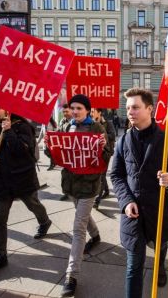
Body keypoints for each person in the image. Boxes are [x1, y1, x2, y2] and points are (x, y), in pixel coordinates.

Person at [111, 88, 168, 297]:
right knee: (133, 266)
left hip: (159, 209)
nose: (130, 112)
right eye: (127, 108)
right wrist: (126, 202)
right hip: (133, 215)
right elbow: (116, 174)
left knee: (161, 245)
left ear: (149, 109)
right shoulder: (123, 141)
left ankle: (160, 265)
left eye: (135, 107)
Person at [48, 95, 111, 297]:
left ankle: (71, 275)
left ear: (87, 110)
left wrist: (103, 148)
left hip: (90, 184)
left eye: (79, 108)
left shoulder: (97, 129)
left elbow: (106, 158)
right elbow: (55, 155)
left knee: (77, 227)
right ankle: (97, 235)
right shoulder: (66, 127)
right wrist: (48, 146)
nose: (74, 111)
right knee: (82, 216)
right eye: (72, 108)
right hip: (71, 183)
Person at [0, 106, 52, 277]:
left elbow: (25, 153)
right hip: (1, 183)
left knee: (33, 205)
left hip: (22, 181)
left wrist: (9, 131)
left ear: (8, 111)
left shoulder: (23, 126)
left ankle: (45, 221)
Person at [91, 108, 116, 209]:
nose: (91, 113)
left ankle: (97, 200)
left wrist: (101, 134)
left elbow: (113, 135)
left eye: (93, 111)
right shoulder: (91, 124)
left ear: (99, 113)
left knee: (101, 176)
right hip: (95, 153)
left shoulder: (108, 123)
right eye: (91, 112)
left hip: (106, 152)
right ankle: (106, 190)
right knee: (101, 174)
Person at [58, 104, 73, 201]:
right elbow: (59, 133)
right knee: (65, 174)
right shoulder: (62, 121)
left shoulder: (75, 122)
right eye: (63, 112)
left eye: (67, 112)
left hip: (75, 153)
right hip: (65, 152)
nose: (65, 114)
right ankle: (66, 192)